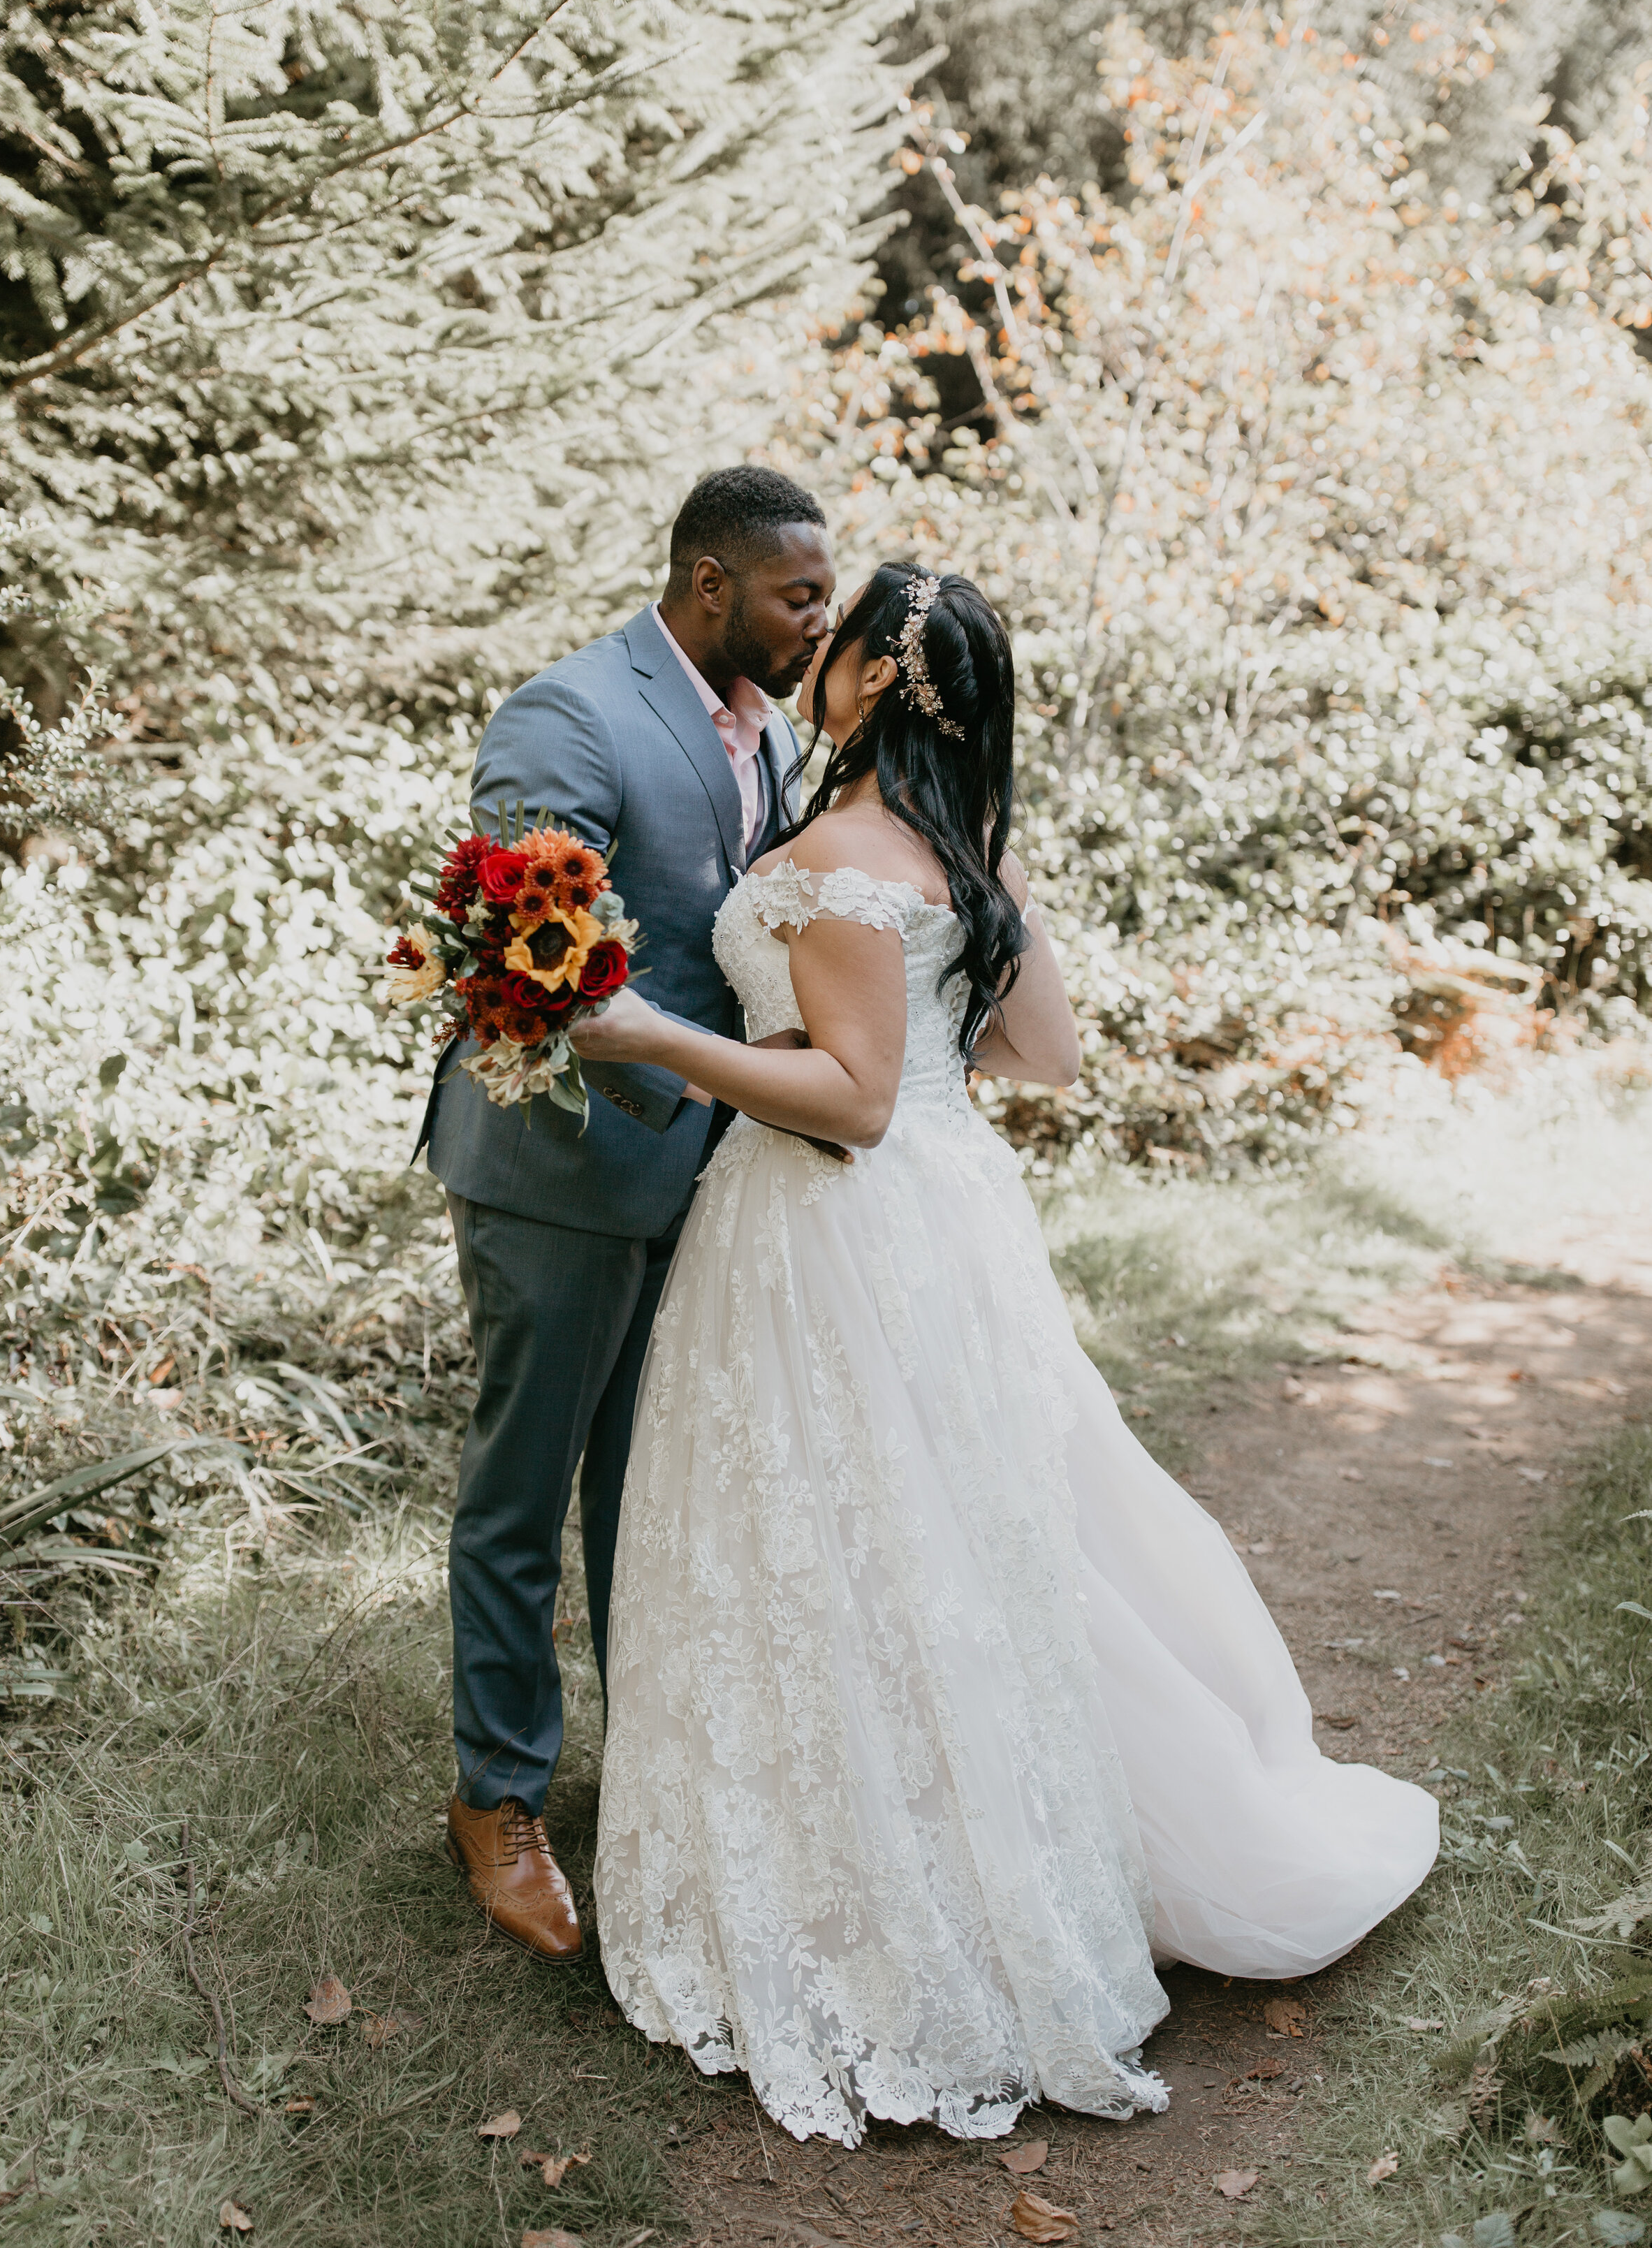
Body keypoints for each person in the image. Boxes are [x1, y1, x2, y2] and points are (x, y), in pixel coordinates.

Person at [575, 561, 1439, 2145]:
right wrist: (903, 1040)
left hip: (827, 1227)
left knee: (859, 1540)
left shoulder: (839, 852)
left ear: (861, 681)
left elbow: (842, 1104)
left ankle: (898, 1884)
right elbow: (1041, 1053)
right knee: (975, 1536)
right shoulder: (962, 848)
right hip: (947, 1216)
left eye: (831, 643)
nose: (811, 656)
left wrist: (655, 1040)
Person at [417, 466, 835, 1963]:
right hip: (568, 1172)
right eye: (797, 595)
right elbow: (532, 959)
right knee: (524, 1497)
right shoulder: (570, 715)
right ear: (710, 586)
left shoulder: (768, 731)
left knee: (654, 1500)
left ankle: (651, 1774)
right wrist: (708, 1085)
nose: (817, 623)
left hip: (716, 1176)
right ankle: (500, 1797)